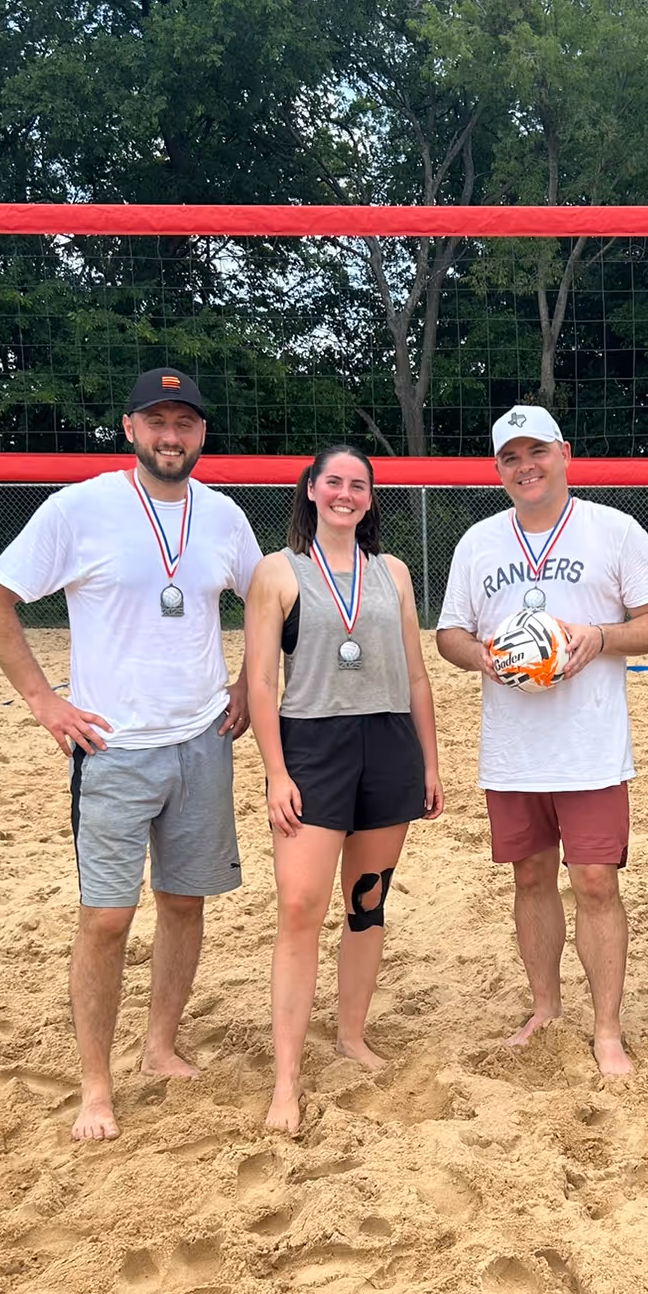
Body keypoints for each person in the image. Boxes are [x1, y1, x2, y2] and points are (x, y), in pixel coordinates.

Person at [0, 368, 262, 1142]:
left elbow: (268, 608)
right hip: (112, 746)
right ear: (130, 428)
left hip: (202, 738)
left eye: (186, 423)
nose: (173, 436)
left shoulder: (225, 516)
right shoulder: (81, 508)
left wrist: (244, 683)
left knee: (184, 902)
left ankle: (159, 1045)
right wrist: (43, 699)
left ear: (202, 434)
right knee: (106, 919)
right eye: (157, 422)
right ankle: (94, 1086)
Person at [436, 405, 648, 1077]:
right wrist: (486, 656)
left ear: (564, 452)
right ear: (498, 470)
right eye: (510, 457)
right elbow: (449, 633)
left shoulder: (614, 531)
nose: (525, 466)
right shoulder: (478, 541)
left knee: (596, 881)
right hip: (514, 748)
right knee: (531, 875)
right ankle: (545, 1007)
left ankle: (606, 1029)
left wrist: (599, 638)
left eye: (536, 451)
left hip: (590, 745)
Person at [244, 446, 443, 1134]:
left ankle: (352, 1034)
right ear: (310, 489)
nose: (346, 493)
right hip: (312, 746)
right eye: (334, 481)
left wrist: (429, 762)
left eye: (358, 484)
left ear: (370, 498)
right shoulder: (277, 572)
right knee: (300, 908)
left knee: (367, 903)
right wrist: (275, 771)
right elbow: (262, 684)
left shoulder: (392, 572)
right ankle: (285, 1082)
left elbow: (416, 675)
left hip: (387, 743)